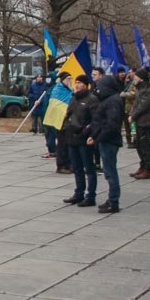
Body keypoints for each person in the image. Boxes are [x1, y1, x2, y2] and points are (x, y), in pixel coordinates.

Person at [85, 75, 124, 214]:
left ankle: (113, 201)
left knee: (110, 172)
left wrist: (98, 138)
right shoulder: (108, 100)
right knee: (109, 171)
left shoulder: (113, 101)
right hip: (105, 140)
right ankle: (111, 199)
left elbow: (111, 125)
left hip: (109, 141)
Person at [61, 74, 99, 206]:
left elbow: (95, 119)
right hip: (72, 138)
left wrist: (88, 133)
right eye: (76, 82)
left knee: (89, 168)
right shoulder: (74, 98)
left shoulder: (91, 99)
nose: (77, 85)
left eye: (80, 83)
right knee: (77, 168)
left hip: (83, 138)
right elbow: (68, 114)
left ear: (86, 85)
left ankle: (91, 195)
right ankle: (79, 193)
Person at [129, 68, 150, 179]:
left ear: (141, 78)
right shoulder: (140, 89)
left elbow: (143, 106)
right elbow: (136, 104)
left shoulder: (148, 90)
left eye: (136, 76)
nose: (134, 78)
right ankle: (142, 166)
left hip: (145, 121)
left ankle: (147, 169)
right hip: (138, 121)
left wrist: (133, 115)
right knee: (138, 145)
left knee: (145, 147)